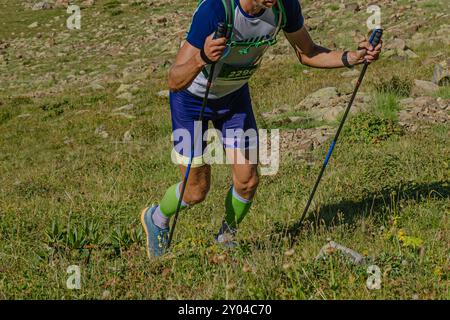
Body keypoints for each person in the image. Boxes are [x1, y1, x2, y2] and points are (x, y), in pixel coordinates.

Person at [140, 0, 382, 258]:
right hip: (191, 101)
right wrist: (202, 57)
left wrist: (351, 58)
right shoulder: (216, 10)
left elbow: (307, 52)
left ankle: (226, 236)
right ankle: (157, 218)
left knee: (247, 180)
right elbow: (174, 79)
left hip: (233, 99)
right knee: (196, 190)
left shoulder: (284, 7)